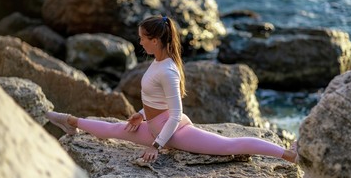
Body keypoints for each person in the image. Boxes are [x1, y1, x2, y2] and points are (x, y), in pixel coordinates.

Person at [47, 15, 298, 163]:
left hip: (175, 131)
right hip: (156, 126)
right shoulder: (158, 62)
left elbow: (175, 113)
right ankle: (70, 121)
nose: (140, 41)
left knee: (228, 146)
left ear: (155, 41)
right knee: (114, 129)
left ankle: (286, 154)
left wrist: (156, 146)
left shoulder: (167, 70)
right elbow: (154, 100)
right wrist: (141, 114)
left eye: (142, 38)